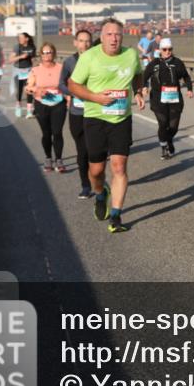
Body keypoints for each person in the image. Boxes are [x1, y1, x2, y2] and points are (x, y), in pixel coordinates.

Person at [67, 18, 145, 233]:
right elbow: (72, 84)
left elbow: (139, 74)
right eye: (109, 34)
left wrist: (138, 91)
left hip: (121, 119)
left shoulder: (130, 55)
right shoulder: (89, 57)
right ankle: (101, 193)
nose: (114, 38)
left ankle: (116, 216)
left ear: (123, 36)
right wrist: (94, 97)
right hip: (95, 118)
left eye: (118, 34)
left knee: (119, 166)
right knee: (96, 170)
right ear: (101, 37)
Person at [142, 37, 193, 159]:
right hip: (158, 99)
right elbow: (145, 76)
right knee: (163, 123)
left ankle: (169, 140)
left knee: (173, 127)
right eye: (164, 49)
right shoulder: (154, 63)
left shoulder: (177, 63)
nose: (167, 51)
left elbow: (186, 77)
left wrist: (190, 89)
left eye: (170, 49)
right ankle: (164, 146)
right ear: (160, 50)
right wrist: (144, 87)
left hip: (175, 99)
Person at [60, 30, 94, 198]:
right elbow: (61, 84)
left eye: (88, 41)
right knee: (82, 151)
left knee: (94, 150)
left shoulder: (98, 60)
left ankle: (97, 178)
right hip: (77, 112)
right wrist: (75, 93)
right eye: (81, 41)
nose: (84, 44)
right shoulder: (69, 62)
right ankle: (85, 185)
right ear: (75, 42)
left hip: (96, 112)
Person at [26, 42, 68, 173]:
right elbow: (28, 87)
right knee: (46, 133)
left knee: (57, 132)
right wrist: (37, 89)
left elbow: (69, 84)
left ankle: (59, 160)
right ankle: (48, 158)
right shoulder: (36, 70)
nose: (46, 55)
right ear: (40, 55)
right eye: (44, 52)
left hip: (58, 103)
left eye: (49, 52)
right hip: (41, 104)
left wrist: (68, 97)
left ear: (54, 53)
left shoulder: (61, 68)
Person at [10, 32, 36, 118]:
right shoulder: (17, 47)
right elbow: (10, 59)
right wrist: (21, 57)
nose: (19, 39)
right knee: (19, 90)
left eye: (21, 37)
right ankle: (18, 106)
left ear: (26, 38)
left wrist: (35, 69)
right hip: (18, 71)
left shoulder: (32, 47)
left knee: (29, 89)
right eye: (19, 38)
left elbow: (33, 60)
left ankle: (29, 111)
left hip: (28, 70)